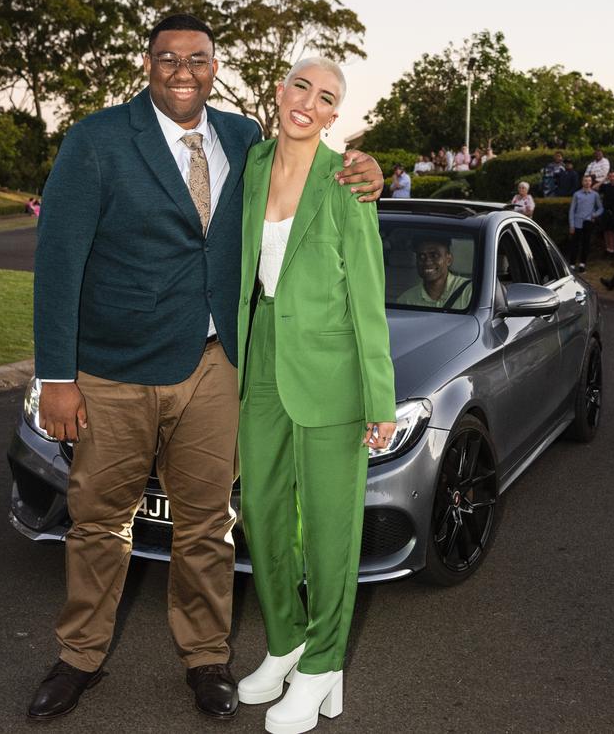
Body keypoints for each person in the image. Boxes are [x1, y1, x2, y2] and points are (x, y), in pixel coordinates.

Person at [26, 14, 384, 723]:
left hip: (218, 365)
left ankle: (205, 656)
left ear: (216, 67)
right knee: (99, 521)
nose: (182, 70)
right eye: (167, 57)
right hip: (116, 370)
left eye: (197, 58)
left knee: (209, 524)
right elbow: (58, 262)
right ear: (148, 63)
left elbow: (311, 172)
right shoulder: (96, 140)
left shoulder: (241, 138)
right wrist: (57, 375)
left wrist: (363, 167)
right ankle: (79, 656)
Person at [235, 58, 396, 734]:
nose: (309, 101)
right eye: (301, 85)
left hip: (332, 368)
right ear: (279, 90)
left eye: (325, 96)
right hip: (261, 352)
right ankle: (287, 640)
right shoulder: (250, 164)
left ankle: (325, 660)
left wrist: (380, 399)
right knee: (264, 511)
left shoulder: (346, 183)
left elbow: (368, 293)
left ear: (335, 115)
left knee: (331, 525)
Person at [398, 237, 473, 310]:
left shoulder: (469, 292)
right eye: (421, 256)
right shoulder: (406, 300)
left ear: (449, 260)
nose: (427, 262)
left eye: (434, 256)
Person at [568, 174, 603, 271]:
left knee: (586, 243)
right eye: (585, 181)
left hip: (588, 222)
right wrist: (572, 225)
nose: (587, 183)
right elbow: (572, 210)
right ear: (582, 182)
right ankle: (572, 264)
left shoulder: (595, 195)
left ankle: (582, 264)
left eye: (589, 181)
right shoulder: (577, 194)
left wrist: (594, 215)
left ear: (591, 182)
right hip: (577, 222)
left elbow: (600, 208)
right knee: (575, 244)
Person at [598, 170, 614, 257]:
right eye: (610, 176)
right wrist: (603, 179)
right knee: (605, 231)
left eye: (613, 176)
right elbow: (594, 188)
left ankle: (612, 250)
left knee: (612, 231)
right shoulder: (606, 186)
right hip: (606, 211)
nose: (612, 178)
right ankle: (608, 249)